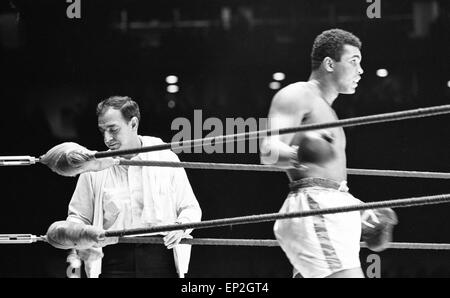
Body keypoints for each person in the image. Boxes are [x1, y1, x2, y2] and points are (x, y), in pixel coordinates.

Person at [260, 29, 397, 278]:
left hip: (326, 207)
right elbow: (268, 151)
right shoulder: (297, 94)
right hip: (315, 205)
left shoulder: (329, 113)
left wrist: (359, 210)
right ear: (329, 64)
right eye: (354, 61)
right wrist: (300, 154)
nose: (361, 70)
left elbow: (331, 180)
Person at [46, 96, 202, 278]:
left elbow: (190, 208)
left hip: (161, 256)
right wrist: (80, 239)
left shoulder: (166, 158)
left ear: (133, 124)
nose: (107, 138)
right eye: (102, 130)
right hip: (112, 258)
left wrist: (180, 227)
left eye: (113, 129)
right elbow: (78, 217)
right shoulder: (94, 166)